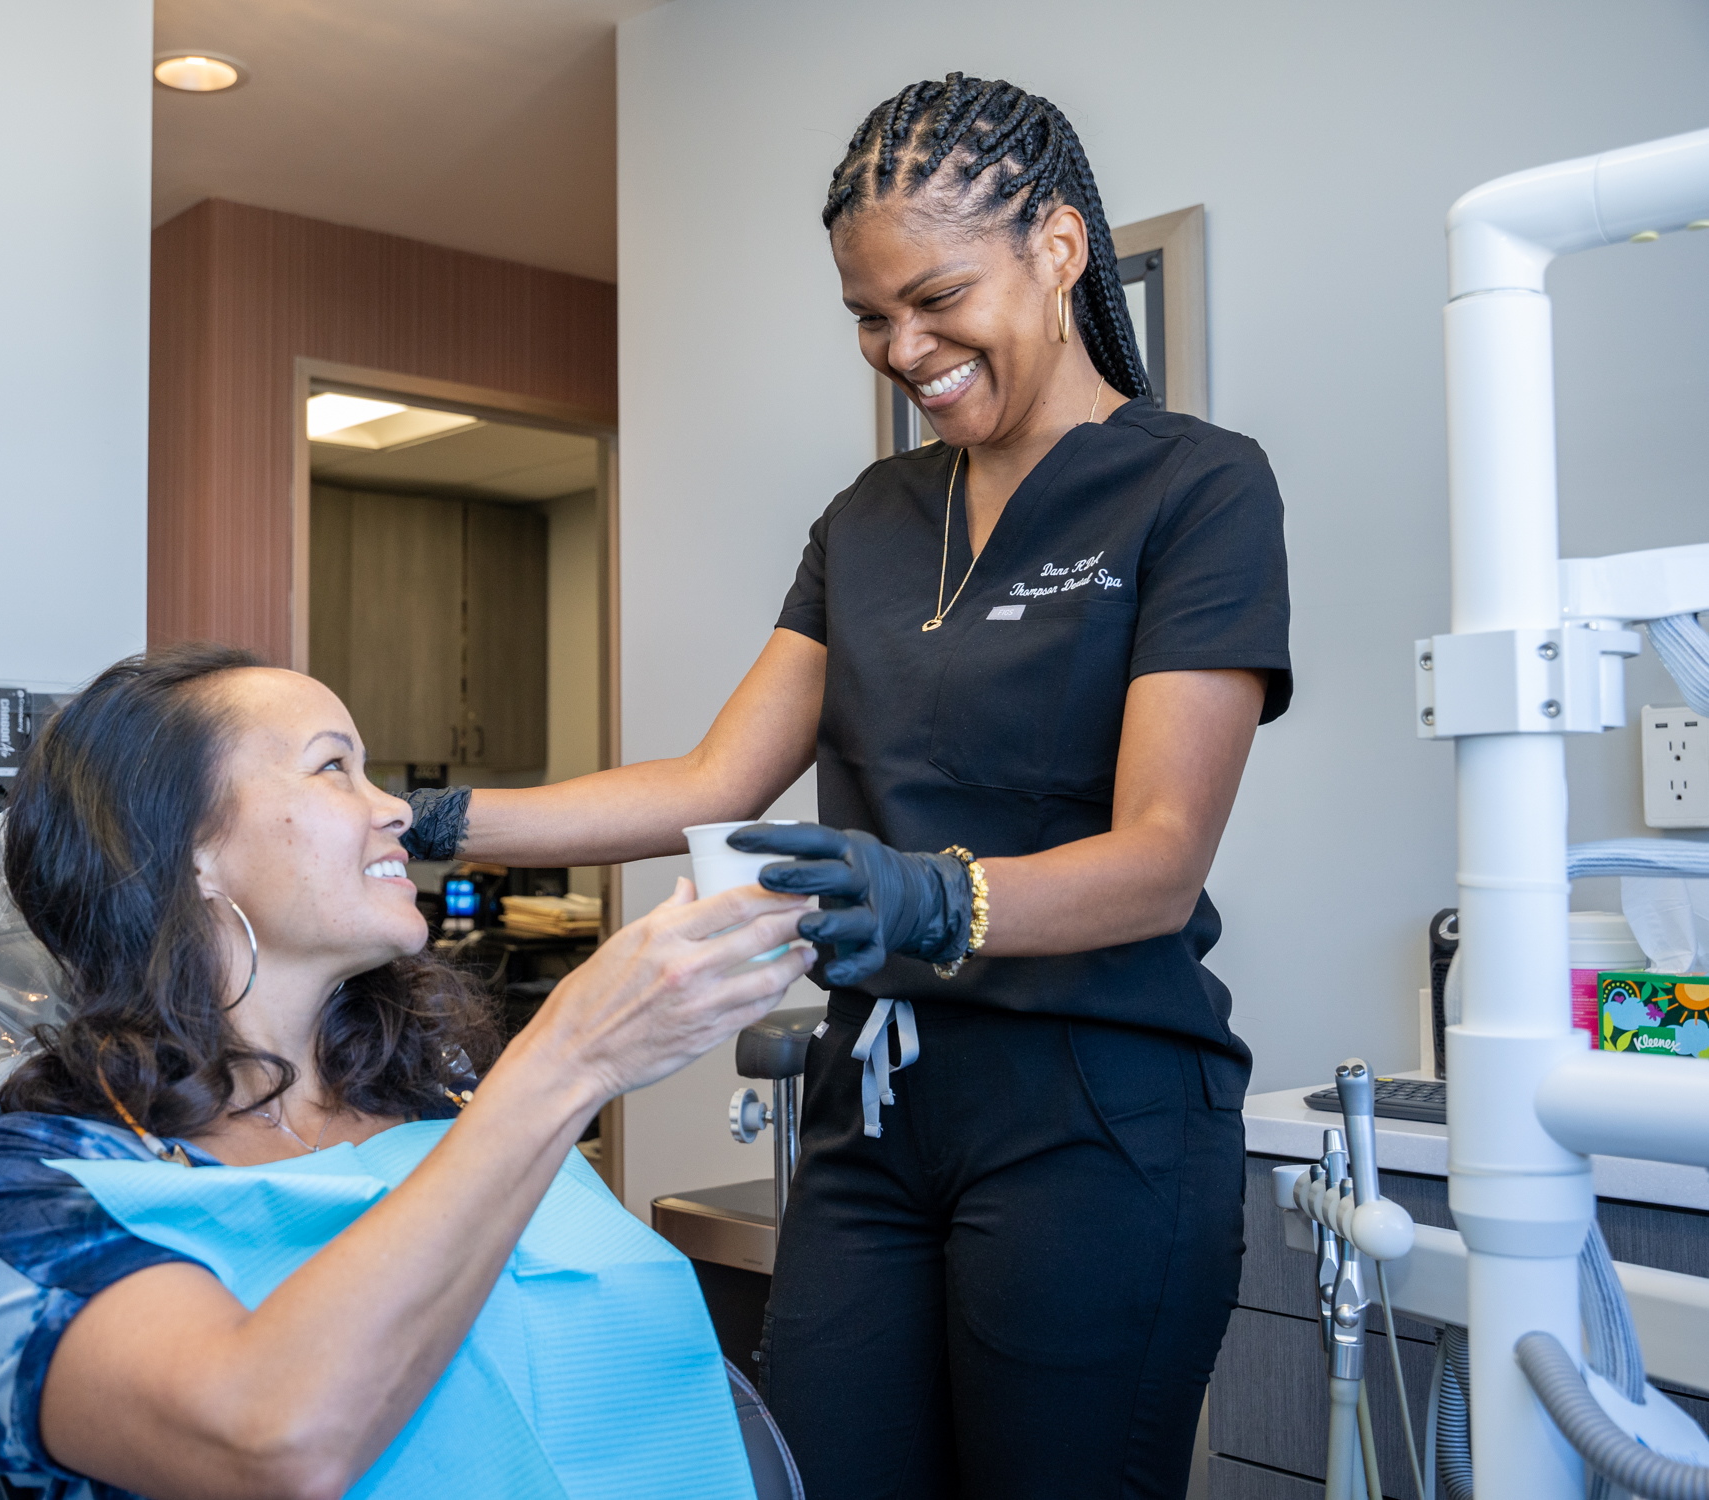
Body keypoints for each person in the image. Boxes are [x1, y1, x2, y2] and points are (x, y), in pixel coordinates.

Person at [402, 72, 1292, 1498]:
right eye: (869, 317)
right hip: (875, 1108)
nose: (901, 347)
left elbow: (1160, 855)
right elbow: (712, 779)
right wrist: (430, 823)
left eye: (933, 299)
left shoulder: (1194, 490)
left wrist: (934, 899)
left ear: (1058, 246)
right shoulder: (869, 520)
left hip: (1097, 1114)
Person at [0, 644, 814, 1500]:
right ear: (186, 847)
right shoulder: (29, 1189)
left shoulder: (444, 1102)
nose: (395, 809)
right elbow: (275, 1442)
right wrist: (567, 1060)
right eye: (332, 768)